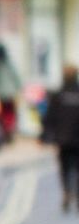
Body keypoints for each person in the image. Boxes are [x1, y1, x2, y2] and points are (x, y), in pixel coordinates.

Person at [41, 64, 79, 213]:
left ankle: (67, 192)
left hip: (62, 139)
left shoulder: (58, 95)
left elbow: (49, 117)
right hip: (77, 139)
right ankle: (75, 193)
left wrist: (45, 135)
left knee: (64, 167)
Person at [0, 45, 23, 140]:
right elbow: (16, 77)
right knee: (10, 113)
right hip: (10, 93)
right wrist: (19, 89)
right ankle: (9, 130)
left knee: (3, 113)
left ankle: (5, 130)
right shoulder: (8, 63)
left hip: (1, 93)